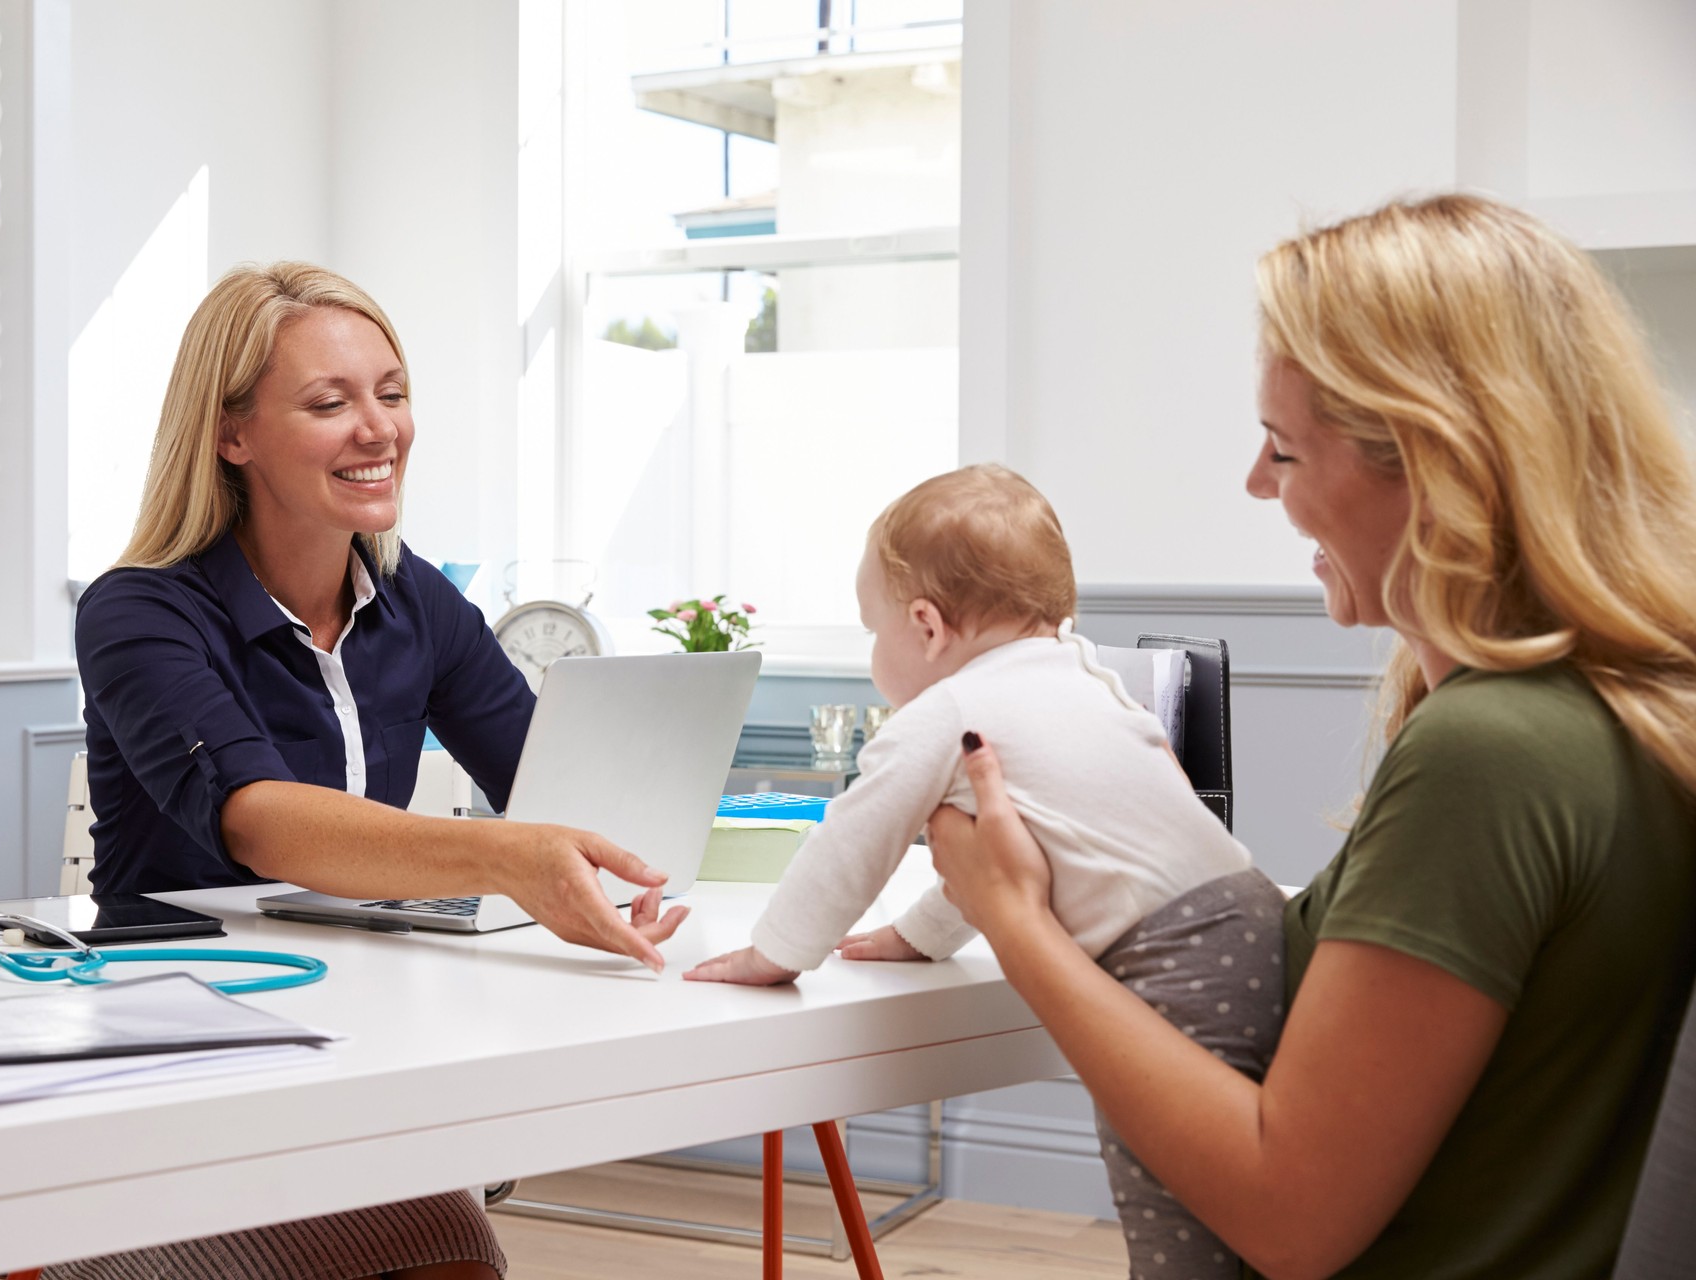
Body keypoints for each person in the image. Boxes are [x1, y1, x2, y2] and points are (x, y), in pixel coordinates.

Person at [926, 194, 1696, 1280]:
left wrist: (1015, 920)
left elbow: (1288, 1211)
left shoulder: (1493, 753)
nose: (1257, 483)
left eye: (1284, 450)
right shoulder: (1628, 711)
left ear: (1437, 465)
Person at [62, 263, 687, 1280]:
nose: (379, 427)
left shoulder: (414, 598)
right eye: (329, 401)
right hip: (176, 1055)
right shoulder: (140, 610)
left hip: (360, 1031)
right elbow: (256, 818)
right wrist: (503, 854)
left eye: (391, 393)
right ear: (232, 434)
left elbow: (547, 780)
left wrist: (621, 848)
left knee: (458, 1261)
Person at [686, 464, 1288, 1269]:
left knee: (1176, 1190)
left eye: (873, 629)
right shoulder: (1088, 677)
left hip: (1169, 966)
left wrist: (779, 949)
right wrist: (919, 937)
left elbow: (853, 836)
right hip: (1258, 922)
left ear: (927, 627)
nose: (874, 651)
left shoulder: (947, 712)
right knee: (1250, 1193)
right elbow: (1004, 859)